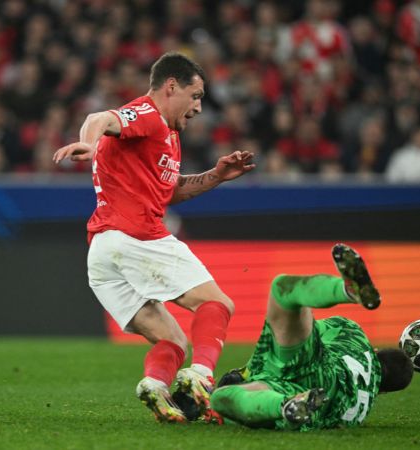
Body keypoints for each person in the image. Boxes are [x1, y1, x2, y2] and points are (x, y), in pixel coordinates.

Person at [53, 52, 255, 423]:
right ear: (171, 86)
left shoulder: (168, 135)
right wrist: (91, 144)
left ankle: (155, 385)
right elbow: (98, 118)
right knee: (217, 305)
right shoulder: (147, 114)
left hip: (103, 251)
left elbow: (169, 191)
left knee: (173, 341)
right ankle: (201, 377)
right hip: (136, 237)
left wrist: (215, 175)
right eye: (195, 96)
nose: (198, 107)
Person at [176, 244, 414, 430]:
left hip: (323, 370)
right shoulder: (363, 407)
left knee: (283, 288)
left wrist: (244, 373)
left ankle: (345, 291)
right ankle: (286, 407)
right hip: (321, 407)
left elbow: (303, 328)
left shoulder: (354, 335)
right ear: (382, 390)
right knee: (225, 398)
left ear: (376, 351)